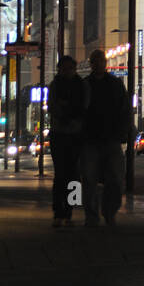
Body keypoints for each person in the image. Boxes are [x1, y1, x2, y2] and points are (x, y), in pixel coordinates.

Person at [81, 49, 130, 226]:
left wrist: (122, 131)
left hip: (111, 138)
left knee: (116, 179)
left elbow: (124, 110)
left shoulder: (115, 84)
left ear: (105, 63)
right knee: (89, 180)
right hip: (91, 139)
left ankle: (109, 212)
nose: (99, 64)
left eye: (101, 60)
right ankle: (92, 216)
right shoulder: (85, 84)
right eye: (95, 61)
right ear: (91, 64)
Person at [48, 54, 85, 228]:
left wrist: (66, 107)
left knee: (73, 174)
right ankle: (58, 211)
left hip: (75, 134)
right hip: (60, 134)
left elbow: (83, 108)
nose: (68, 72)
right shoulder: (55, 85)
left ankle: (70, 209)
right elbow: (53, 108)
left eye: (71, 68)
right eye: (65, 69)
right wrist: (69, 109)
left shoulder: (81, 85)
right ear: (60, 70)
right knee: (61, 174)